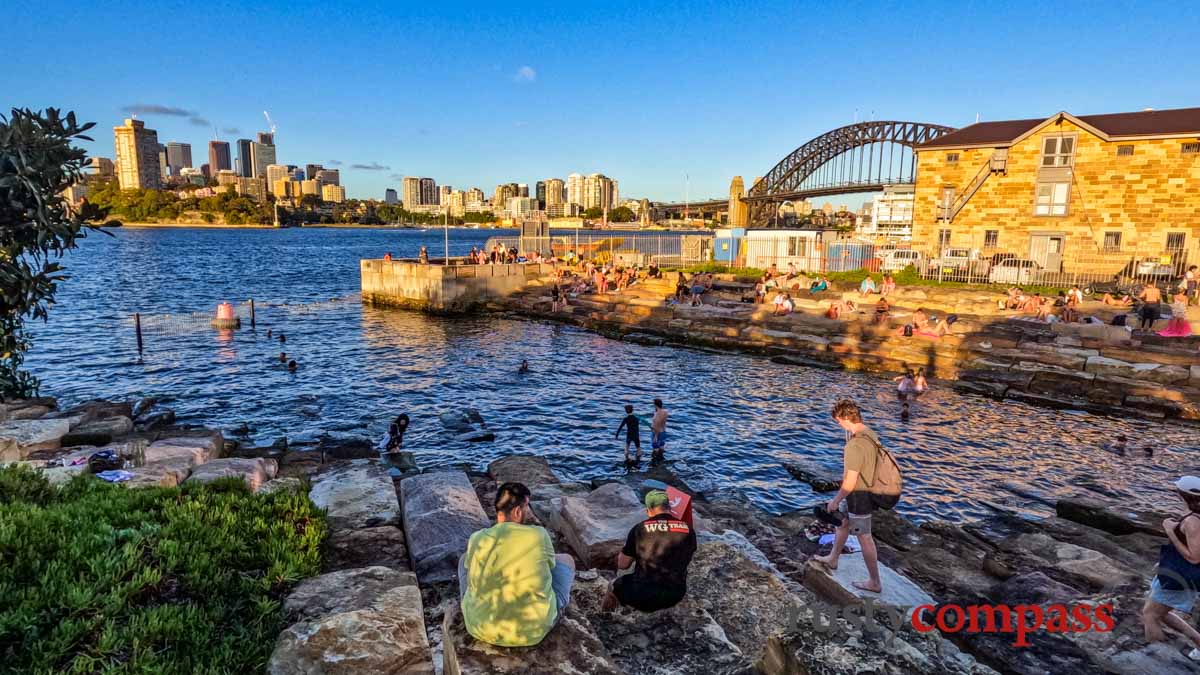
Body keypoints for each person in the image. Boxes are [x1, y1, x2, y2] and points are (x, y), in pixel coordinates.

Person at [459, 482, 575, 647]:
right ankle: (553, 608)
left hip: (479, 628)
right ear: (518, 511)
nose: (528, 512)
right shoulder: (538, 535)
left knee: (465, 559)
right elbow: (550, 567)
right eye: (527, 507)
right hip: (533, 631)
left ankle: (476, 606)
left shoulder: (477, 538)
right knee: (566, 560)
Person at [812, 399, 883, 594]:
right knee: (842, 523)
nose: (839, 425)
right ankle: (833, 559)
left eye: (839, 421)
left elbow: (850, 481)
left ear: (845, 419)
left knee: (865, 538)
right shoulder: (870, 434)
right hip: (867, 490)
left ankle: (874, 582)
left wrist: (835, 500)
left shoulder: (854, 445)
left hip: (860, 497)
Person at [602, 490, 698, 612]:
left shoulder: (639, 529)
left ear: (649, 510)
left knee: (613, 585)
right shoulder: (689, 530)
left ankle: (605, 618)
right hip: (675, 594)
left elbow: (623, 565)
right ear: (669, 507)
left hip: (642, 594)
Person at [1142, 476, 1200, 660]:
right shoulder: (1193, 516)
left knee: (1149, 615)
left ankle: (1157, 659)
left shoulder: (1193, 521)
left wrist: (1169, 530)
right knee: (1161, 611)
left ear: (1182, 495)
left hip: (1180, 575)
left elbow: (1194, 557)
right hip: (1173, 569)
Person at [650, 398, 668, 463]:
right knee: (661, 447)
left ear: (655, 405)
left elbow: (657, 425)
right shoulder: (665, 412)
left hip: (656, 433)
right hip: (663, 432)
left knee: (655, 449)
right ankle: (661, 461)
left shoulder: (657, 413)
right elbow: (662, 423)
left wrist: (655, 436)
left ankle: (655, 463)